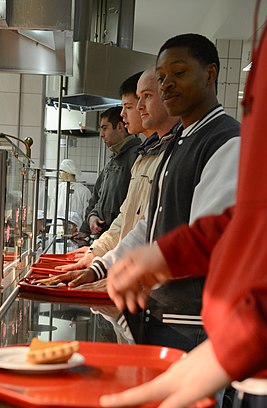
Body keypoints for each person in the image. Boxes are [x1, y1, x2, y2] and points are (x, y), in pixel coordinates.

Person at [101, 11, 267, 408]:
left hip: (202, 325)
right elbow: (183, 224)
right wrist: (141, 259)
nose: (164, 88)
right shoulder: (179, 140)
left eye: (177, 75)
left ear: (213, 73)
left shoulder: (222, 138)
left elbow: (229, 234)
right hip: (201, 325)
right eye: (159, 78)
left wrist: (237, 336)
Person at [57, 67, 180, 277]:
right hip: (126, 266)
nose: (126, 113)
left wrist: (104, 264)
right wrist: (98, 254)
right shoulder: (145, 154)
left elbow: (150, 227)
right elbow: (127, 218)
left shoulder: (174, 151)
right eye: (137, 101)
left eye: (145, 98)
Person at [77, 76, 144, 238]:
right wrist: (90, 220)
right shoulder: (114, 159)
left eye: (105, 128)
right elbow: (97, 199)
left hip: (120, 243)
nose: (101, 134)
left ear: (120, 127)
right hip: (107, 241)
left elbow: (132, 213)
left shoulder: (137, 155)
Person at [47, 158, 91, 233]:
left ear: (68, 173)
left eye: (61, 171)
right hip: (58, 227)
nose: (59, 173)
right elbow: (53, 210)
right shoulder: (58, 188)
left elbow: (86, 213)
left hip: (76, 229)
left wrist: (84, 230)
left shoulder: (84, 191)